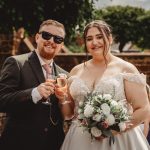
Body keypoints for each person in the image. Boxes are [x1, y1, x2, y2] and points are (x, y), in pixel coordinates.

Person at [60, 20, 150, 150]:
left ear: (110, 38)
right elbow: (68, 114)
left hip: (118, 141)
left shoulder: (126, 69)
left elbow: (143, 109)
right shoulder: (76, 71)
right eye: (89, 39)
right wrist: (62, 97)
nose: (94, 42)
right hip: (79, 140)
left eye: (99, 37)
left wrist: (114, 130)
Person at [0, 19, 72, 150]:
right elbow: (2, 100)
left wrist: (63, 101)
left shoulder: (65, 75)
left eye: (58, 39)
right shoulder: (16, 63)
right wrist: (34, 93)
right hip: (18, 144)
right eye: (46, 35)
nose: (51, 41)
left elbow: (65, 115)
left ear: (61, 45)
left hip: (53, 144)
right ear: (37, 37)